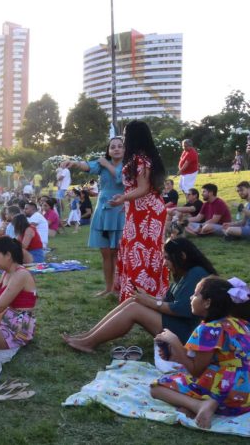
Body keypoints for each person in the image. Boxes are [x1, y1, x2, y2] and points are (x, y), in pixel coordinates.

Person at [63, 238, 215, 352]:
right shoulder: (184, 272)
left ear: (182, 256)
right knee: (134, 301)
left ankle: (89, 342)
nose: (164, 263)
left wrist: (149, 302)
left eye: (167, 258)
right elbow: (168, 301)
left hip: (189, 335)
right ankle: (88, 336)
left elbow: (181, 309)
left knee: (135, 309)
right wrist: (147, 298)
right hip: (181, 325)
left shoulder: (197, 273)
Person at [151, 276, 250, 429]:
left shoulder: (208, 329)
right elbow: (221, 358)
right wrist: (177, 356)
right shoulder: (240, 323)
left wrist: (175, 342)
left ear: (207, 302)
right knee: (183, 372)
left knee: (156, 388)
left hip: (227, 393)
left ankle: (198, 406)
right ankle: (196, 405)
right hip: (245, 395)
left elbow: (197, 370)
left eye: (195, 294)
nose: (191, 297)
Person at [109, 120, 169, 303]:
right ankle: (140, 295)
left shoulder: (140, 159)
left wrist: (123, 199)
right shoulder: (142, 157)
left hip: (148, 213)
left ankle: (141, 296)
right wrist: (126, 205)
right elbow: (138, 189)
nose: (124, 138)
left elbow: (143, 188)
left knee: (142, 251)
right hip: (141, 210)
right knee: (137, 250)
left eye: (126, 134)